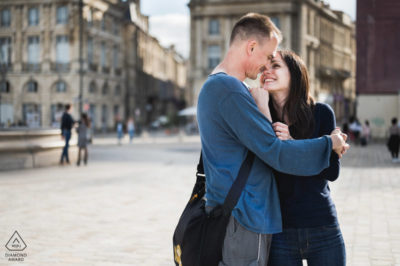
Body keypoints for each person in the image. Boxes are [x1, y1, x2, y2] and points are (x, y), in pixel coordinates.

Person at [197, 13, 349, 266]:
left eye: (275, 63)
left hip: (250, 216)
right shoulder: (230, 90)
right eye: (268, 58)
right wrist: (330, 144)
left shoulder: (225, 87)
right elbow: (275, 152)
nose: (265, 69)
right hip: (243, 216)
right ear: (252, 47)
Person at [250, 50, 345, 265]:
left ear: (295, 73)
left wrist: (291, 143)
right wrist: (263, 109)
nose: (267, 72)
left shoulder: (321, 113)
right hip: (279, 230)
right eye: (264, 68)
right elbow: (268, 165)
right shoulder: (258, 116)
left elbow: (331, 171)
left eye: (275, 66)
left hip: (322, 224)